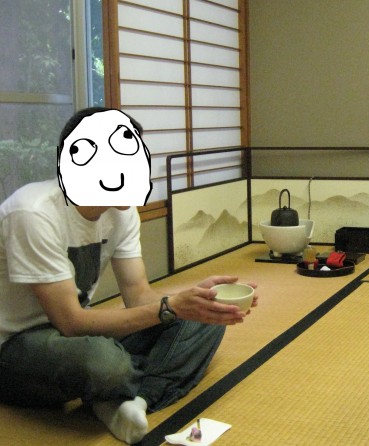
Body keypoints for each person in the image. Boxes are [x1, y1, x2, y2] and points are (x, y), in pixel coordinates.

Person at [0, 107, 258, 445]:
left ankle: (135, 401)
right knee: (105, 363)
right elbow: (71, 323)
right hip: (16, 345)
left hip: (74, 337)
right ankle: (116, 388)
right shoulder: (33, 212)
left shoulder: (120, 212)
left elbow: (138, 296)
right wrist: (171, 309)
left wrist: (193, 299)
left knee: (208, 319)